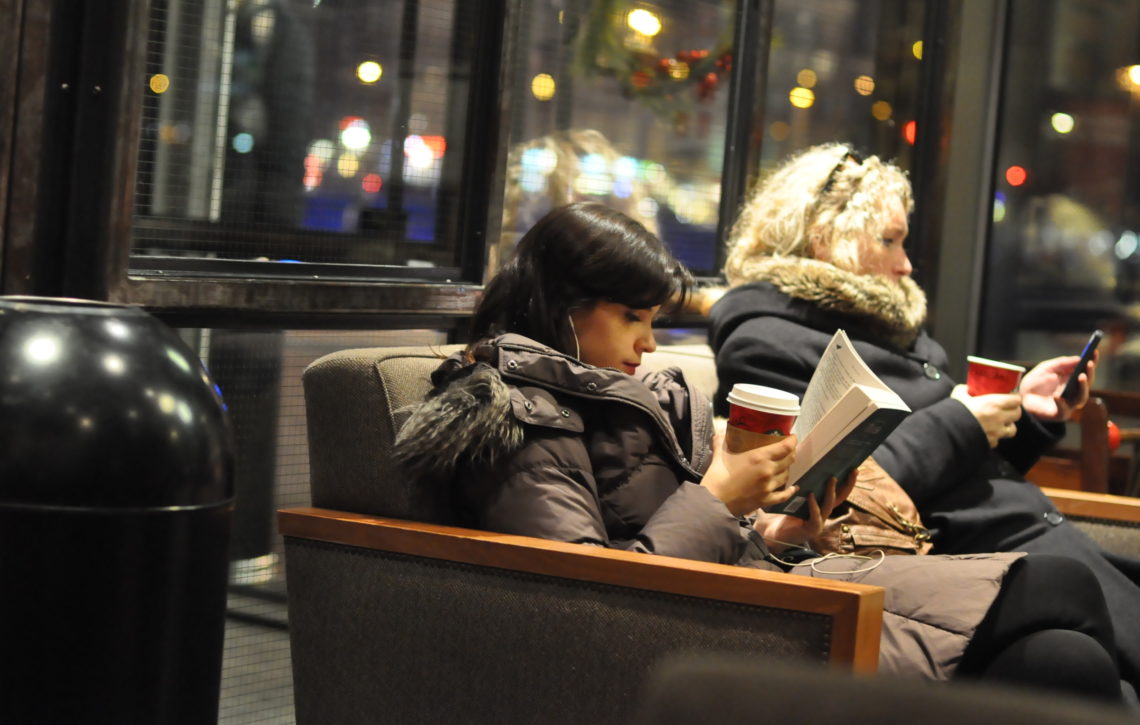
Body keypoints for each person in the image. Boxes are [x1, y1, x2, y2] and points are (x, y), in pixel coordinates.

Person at [394, 201, 1129, 703]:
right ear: (563, 307)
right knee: (1059, 602)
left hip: (759, 587)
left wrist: (774, 529)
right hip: (720, 633)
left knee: (1069, 654)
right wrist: (720, 496)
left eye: (654, 320)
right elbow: (591, 602)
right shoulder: (515, 418)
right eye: (632, 317)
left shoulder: (608, 394)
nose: (648, 343)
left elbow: (669, 535)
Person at [708, 143, 1140, 694]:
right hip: (954, 558)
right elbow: (846, 487)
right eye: (889, 240)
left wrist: (1027, 415)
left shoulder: (886, 327)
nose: (906, 263)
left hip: (1019, 533)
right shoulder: (767, 341)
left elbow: (964, 470)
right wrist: (963, 420)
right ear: (824, 238)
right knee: (1086, 667)